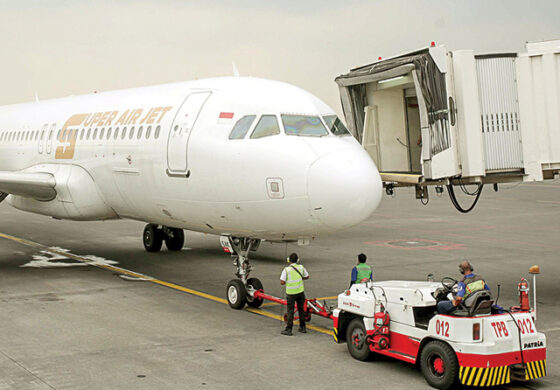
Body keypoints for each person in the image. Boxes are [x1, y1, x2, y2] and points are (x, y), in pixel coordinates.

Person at [280, 252, 309, 336]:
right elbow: (307, 276)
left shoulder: (287, 270)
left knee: (290, 311)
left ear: (289, 260)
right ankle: (302, 327)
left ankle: (289, 329)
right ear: (298, 260)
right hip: (300, 292)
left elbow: (282, 282)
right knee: (301, 310)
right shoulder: (301, 267)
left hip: (291, 294)